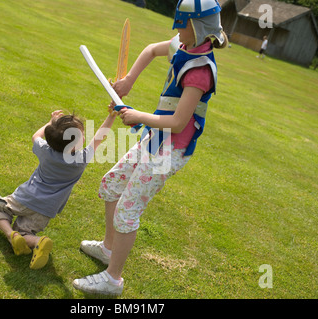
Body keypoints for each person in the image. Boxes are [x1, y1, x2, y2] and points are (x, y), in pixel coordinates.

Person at [73, 0, 228, 295]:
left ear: (196, 26)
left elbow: (180, 122)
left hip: (170, 150)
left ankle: (113, 279)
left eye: (181, 23)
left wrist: (136, 116)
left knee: (126, 211)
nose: (176, 29)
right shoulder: (183, 45)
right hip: (157, 138)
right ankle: (108, 249)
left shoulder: (200, 71)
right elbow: (150, 50)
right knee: (111, 185)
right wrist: (129, 80)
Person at [0, 109, 116, 269]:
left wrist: (50, 122)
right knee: (25, 232)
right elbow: (99, 137)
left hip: (25, 198)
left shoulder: (46, 151)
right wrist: (111, 116)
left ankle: (10, 234)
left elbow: (36, 136)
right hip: (47, 209)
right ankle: (36, 241)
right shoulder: (81, 160)